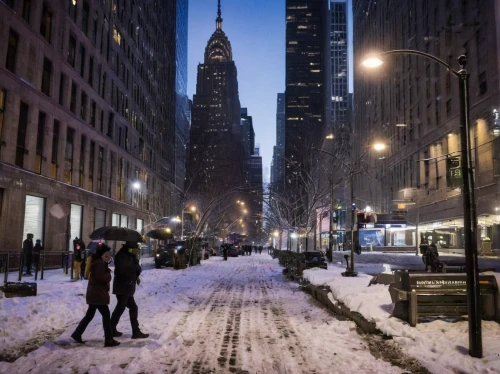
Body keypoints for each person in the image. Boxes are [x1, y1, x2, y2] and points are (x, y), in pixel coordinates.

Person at [71, 244, 120, 347]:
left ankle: (77, 333)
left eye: (109, 255)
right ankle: (109, 340)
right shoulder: (99, 264)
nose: (109, 257)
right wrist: (108, 274)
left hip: (95, 294)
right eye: (107, 255)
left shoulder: (100, 263)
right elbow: (101, 278)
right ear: (102, 255)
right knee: (106, 316)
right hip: (98, 295)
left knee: (89, 315)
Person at [110, 241, 149, 339]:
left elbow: (137, 268)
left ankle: (111, 328)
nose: (136, 251)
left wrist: (135, 265)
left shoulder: (130, 256)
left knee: (122, 308)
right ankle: (134, 331)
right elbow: (122, 271)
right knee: (127, 307)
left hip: (127, 287)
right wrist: (134, 266)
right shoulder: (122, 256)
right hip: (123, 287)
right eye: (135, 249)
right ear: (129, 248)